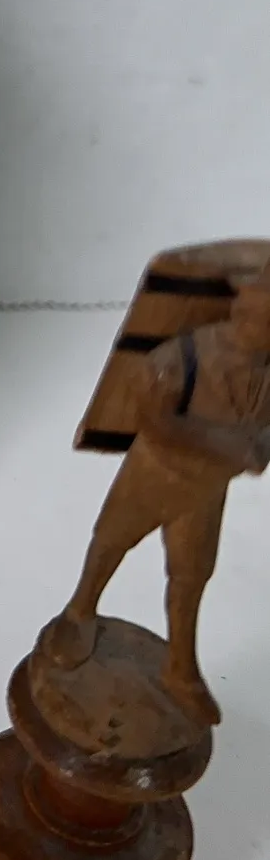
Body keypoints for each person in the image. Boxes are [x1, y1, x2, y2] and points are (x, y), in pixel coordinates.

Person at [43, 270, 270, 726]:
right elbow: (156, 420)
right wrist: (230, 445)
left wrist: (259, 446)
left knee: (192, 573)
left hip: (207, 489)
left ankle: (180, 666)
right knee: (112, 539)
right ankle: (79, 610)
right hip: (155, 473)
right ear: (243, 312)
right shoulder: (183, 357)